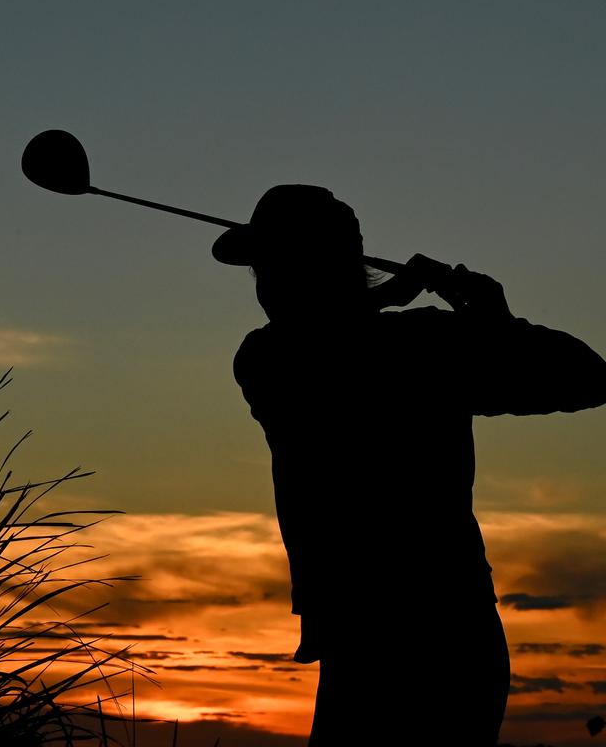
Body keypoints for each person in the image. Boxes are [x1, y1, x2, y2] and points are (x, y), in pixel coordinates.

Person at [213, 185, 606, 746]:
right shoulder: (417, 346)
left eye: (274, 269)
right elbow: (588, 378)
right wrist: (495, 323)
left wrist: (493, 326)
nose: (266, 287)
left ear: (307, 273)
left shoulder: (290, 355)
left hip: (417, 633)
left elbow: (590, 380)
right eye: (262, 272)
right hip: (433, 629)